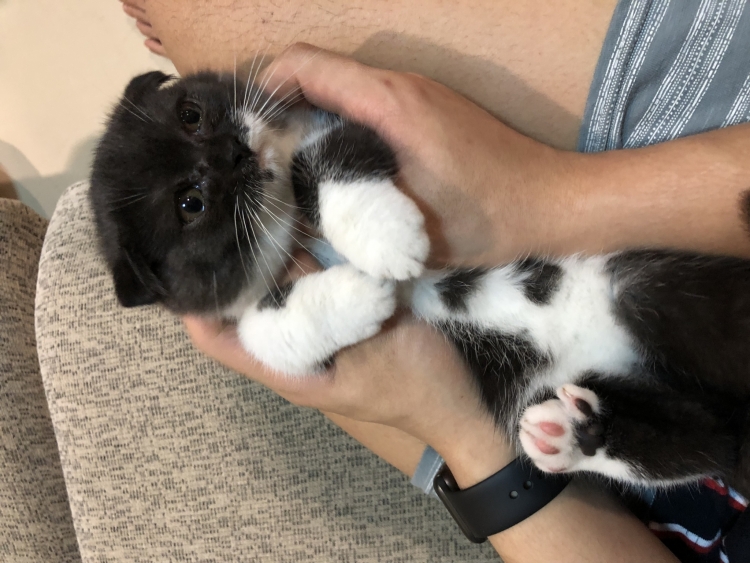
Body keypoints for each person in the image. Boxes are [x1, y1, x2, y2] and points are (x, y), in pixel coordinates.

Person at [121, 1, 750, 561]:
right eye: (191, 202)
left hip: (554, 354)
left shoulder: (283, 190)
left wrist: (451, 427)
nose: (220, 154)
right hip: (615, 318)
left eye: (193, 116)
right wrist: (543, 202)